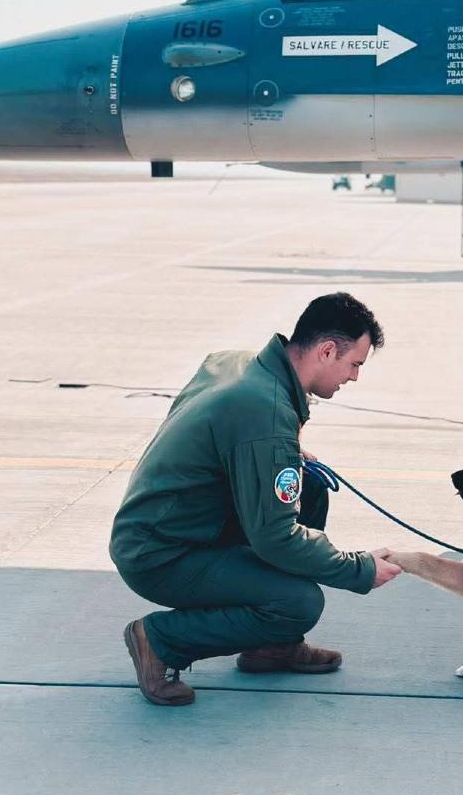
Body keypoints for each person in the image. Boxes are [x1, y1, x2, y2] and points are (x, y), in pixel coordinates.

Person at [110, 292, 400, 706]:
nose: (354, 377)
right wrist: (359, 569)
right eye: (354, 364)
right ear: (326, 350)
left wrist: (271, 453)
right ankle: (160, 640)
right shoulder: (265, 412)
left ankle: (272, 645)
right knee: (299, 603)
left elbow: (218, 415)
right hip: (160, 554)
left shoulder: (243, 366)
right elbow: (275, 538)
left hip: (178, 525)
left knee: (310, 488)